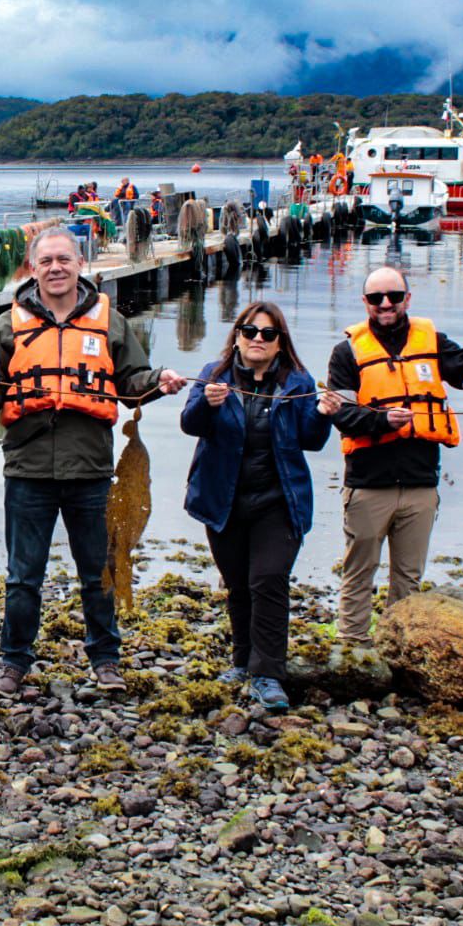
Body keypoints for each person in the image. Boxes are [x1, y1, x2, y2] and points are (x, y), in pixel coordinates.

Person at [0, 226, 187, 697]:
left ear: (80, 264)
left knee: (98, 571)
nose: (55, 268)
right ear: (33, 268)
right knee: (23, 576)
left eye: (64, 259)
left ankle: (105, 660)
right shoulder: (9, 323)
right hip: (27, 469)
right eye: (45, 261)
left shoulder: (109, 322)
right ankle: (13, 663)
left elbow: (132, 381)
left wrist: (159, 380)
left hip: (90, 468)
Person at [327, 266, 463, 644]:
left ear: (407, 300)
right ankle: (352, 647)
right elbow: (342, 415)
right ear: (364, 303)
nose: (386, 304)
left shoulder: (432, 343)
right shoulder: (347, 351)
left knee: (408, 579)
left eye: (394, 296)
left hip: (420, 485)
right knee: (358, 573)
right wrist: (383, 421)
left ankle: (397, 648)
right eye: (376, 298)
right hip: (368, 484)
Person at [181, 302, 340, 711]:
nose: (257, 339)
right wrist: (208, 404)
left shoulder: (297, 381)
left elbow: (310, 440)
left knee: (268, 581)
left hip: (279, 501)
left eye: (268, 334)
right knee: (237, 584)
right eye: (251, 331)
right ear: (237, 335)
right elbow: (191, 424)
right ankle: (241, 662)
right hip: (223, 500)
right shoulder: (213, 376)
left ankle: (269, 674)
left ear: (279, 343)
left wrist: (323, 414)